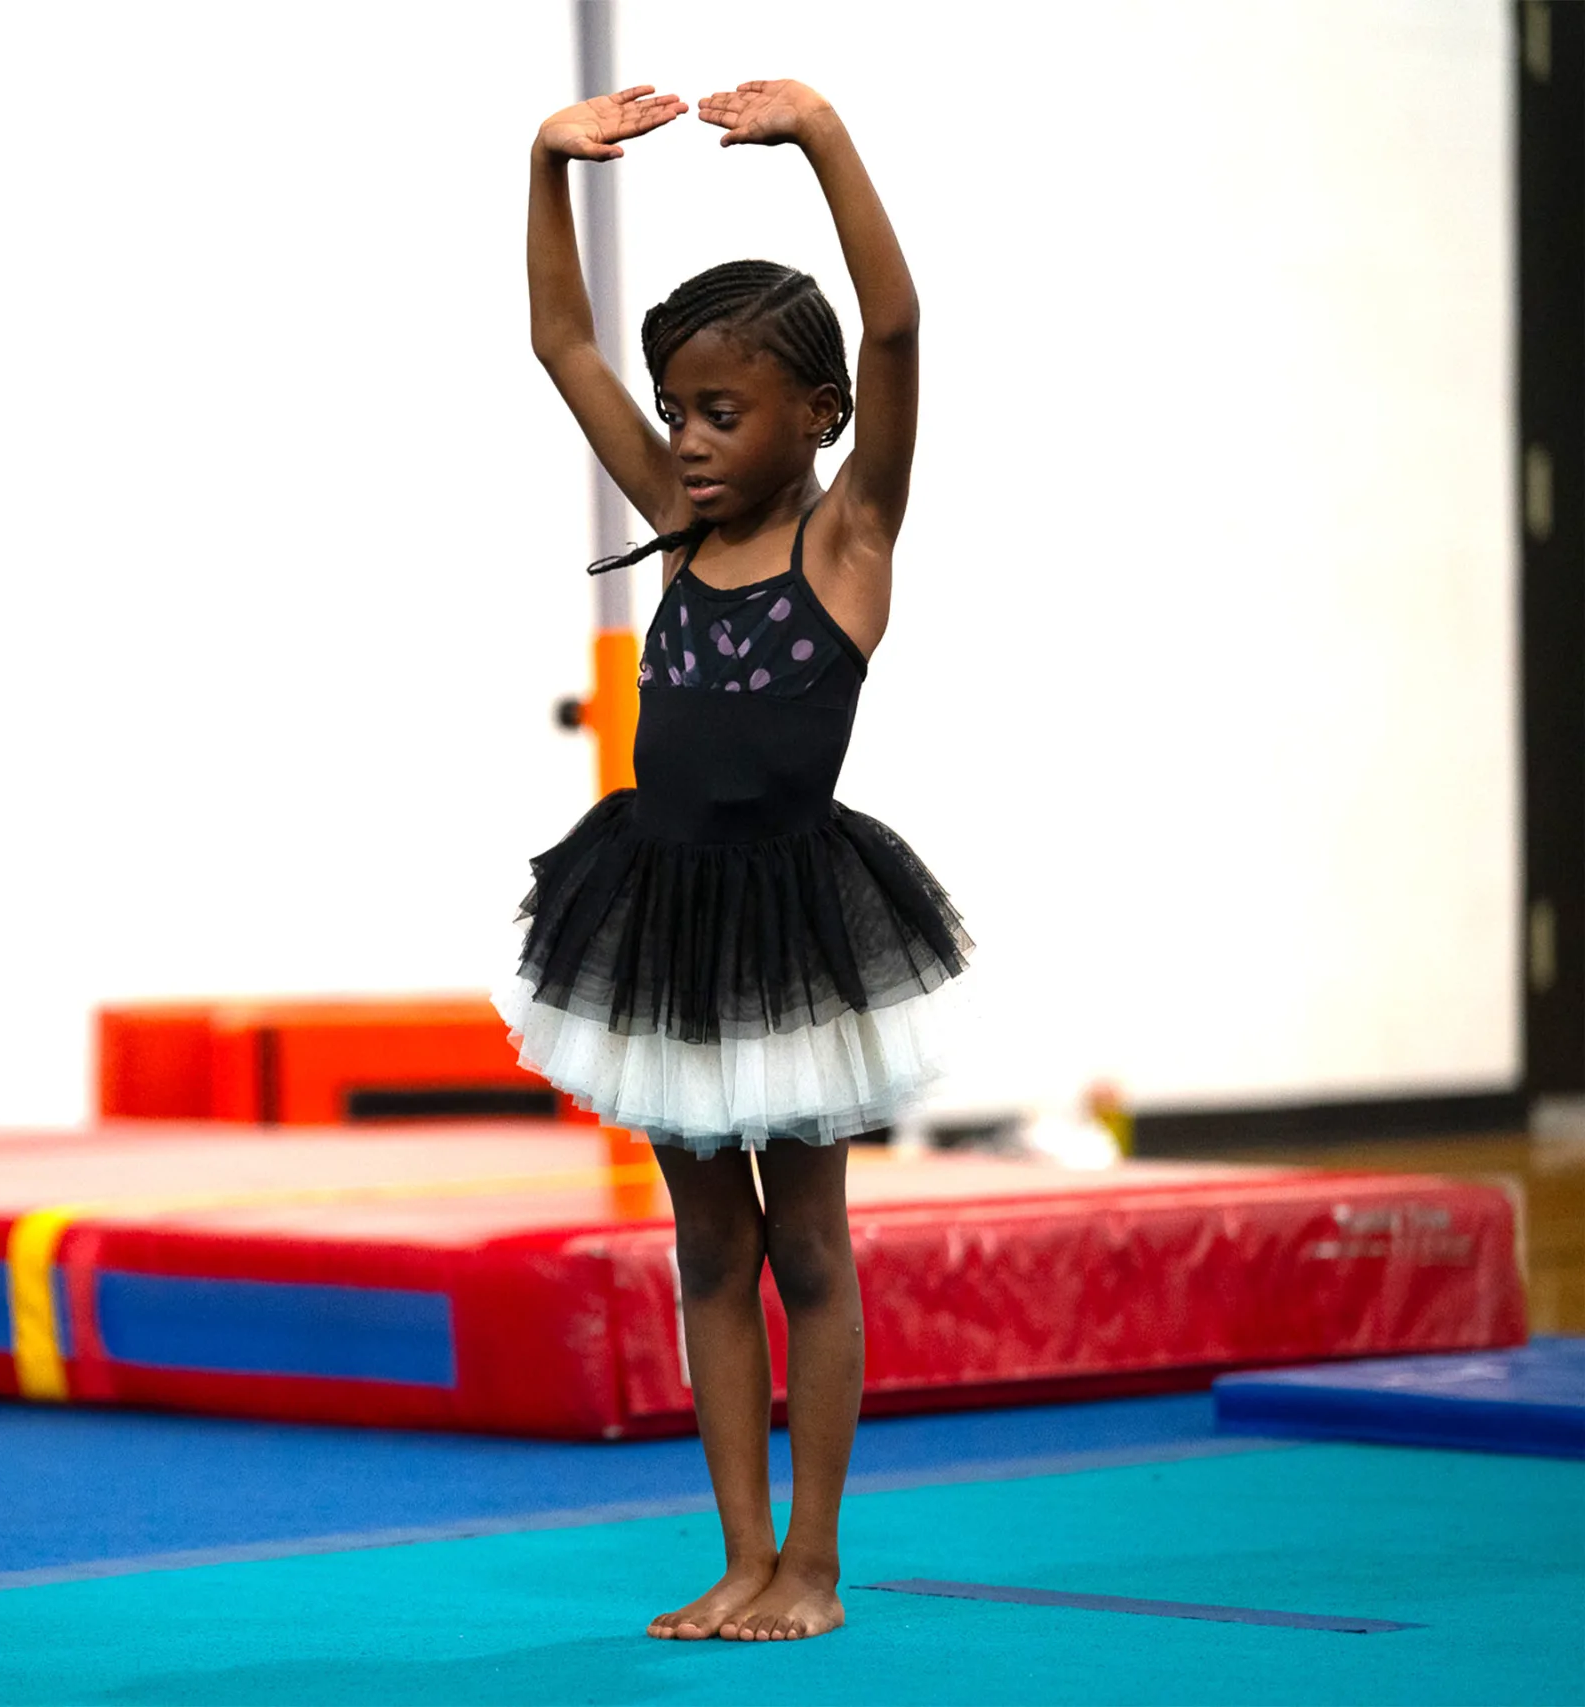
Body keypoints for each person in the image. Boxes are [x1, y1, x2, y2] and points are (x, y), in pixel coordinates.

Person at [500, 77, 971, 1642]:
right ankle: (739, 1551)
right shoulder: (676, 523)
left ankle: (818, 1558)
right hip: (659, 911)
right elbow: (564, 348)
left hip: (794, 916)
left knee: (810, 1242)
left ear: (818, 419)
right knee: (709, 1244)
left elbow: (895, 330)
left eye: (724, 411)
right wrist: (544, 168)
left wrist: (827, 138)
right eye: (680, 410)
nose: (690, 442)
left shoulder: (851, 538)